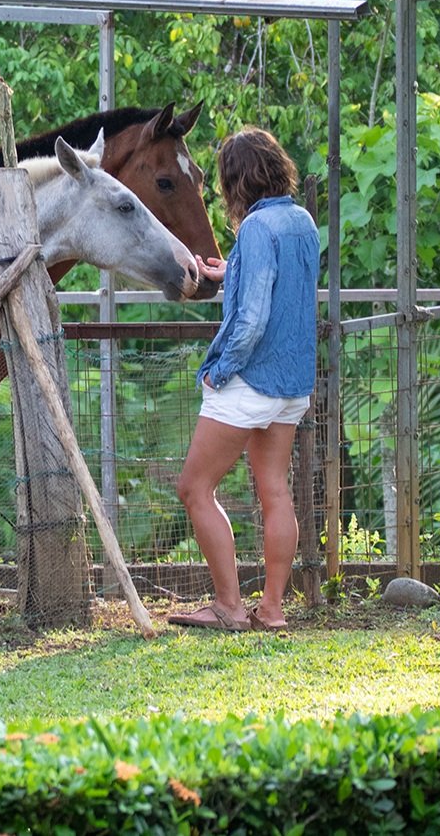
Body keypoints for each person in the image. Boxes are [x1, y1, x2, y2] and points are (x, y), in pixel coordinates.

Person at [169, 127, 320, 633]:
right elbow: (280, 286)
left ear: (237, 181)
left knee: (195, 487)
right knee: (274, 490)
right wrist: (229, 272)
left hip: (250, 379)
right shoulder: (302, 222)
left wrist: (220, 369)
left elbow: (252, 318)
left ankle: (229, 607)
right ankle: (272, 611)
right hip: (292, 384)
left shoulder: (256, 229)